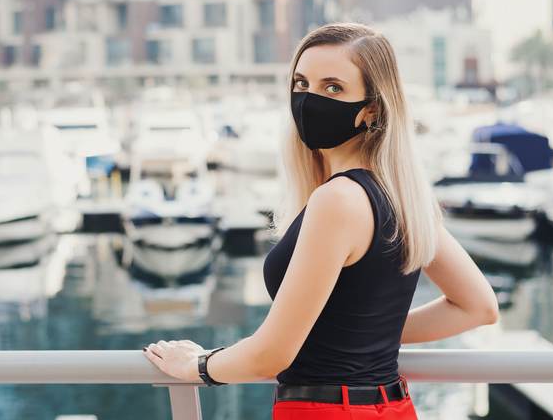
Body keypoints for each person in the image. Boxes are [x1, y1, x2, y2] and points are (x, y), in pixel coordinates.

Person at [142, 22, 499, 419]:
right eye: (301, 84)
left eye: (333, 88)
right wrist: (363, 332)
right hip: (392, 408)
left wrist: (198, 365)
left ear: (372, 109)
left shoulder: (337, 200)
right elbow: (478, 306)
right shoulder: (403, 197)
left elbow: (271, 355)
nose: (309, 100)